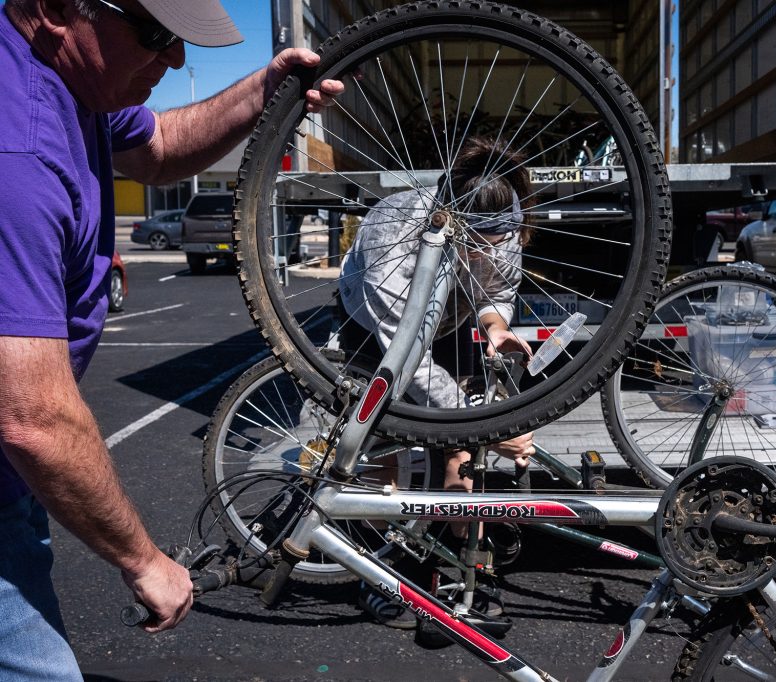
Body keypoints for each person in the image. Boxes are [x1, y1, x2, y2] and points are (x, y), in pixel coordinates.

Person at [0, 0, 343, 677]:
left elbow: (156, 149)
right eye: (157, 34)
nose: (177, 59)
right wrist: (144, 561)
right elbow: (32, 420)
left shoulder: (74, 84)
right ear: (56, 9)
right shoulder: (17, 156)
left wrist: (262, 90)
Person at [338, 136, 536, 627]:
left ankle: (455, 576)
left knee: (459, 455)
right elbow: (404, 355)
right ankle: (378, 574)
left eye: (501, 238)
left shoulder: (502, 216)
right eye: (481, 240)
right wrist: (485, 424)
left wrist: (495, 328)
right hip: (375, 329)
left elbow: (498, 287)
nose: (493, 248)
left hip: (447, 320)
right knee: (380, 455)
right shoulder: (395, 229)